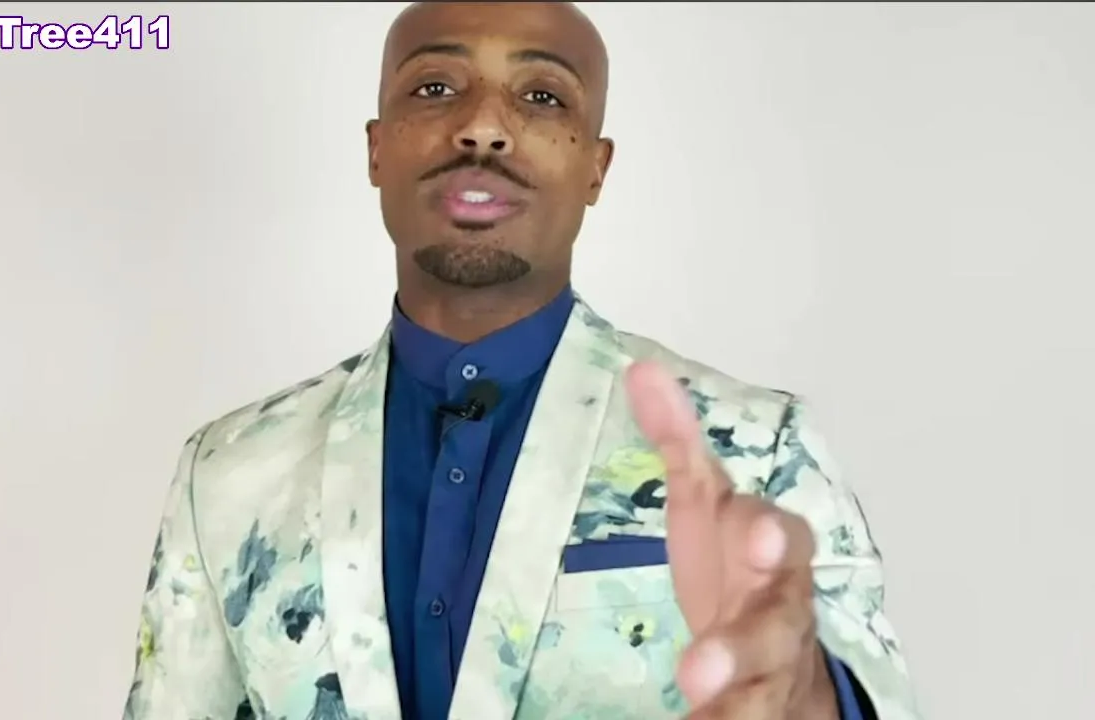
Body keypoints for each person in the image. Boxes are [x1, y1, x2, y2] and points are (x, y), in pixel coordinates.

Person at [121, 3, 921, 719]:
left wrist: (806, 696)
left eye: (542, 97)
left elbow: (867, 694)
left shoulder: (754, 449)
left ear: (596, 168)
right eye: (435, 87)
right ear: (376, 150)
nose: (482, 128)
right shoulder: (225, 473)